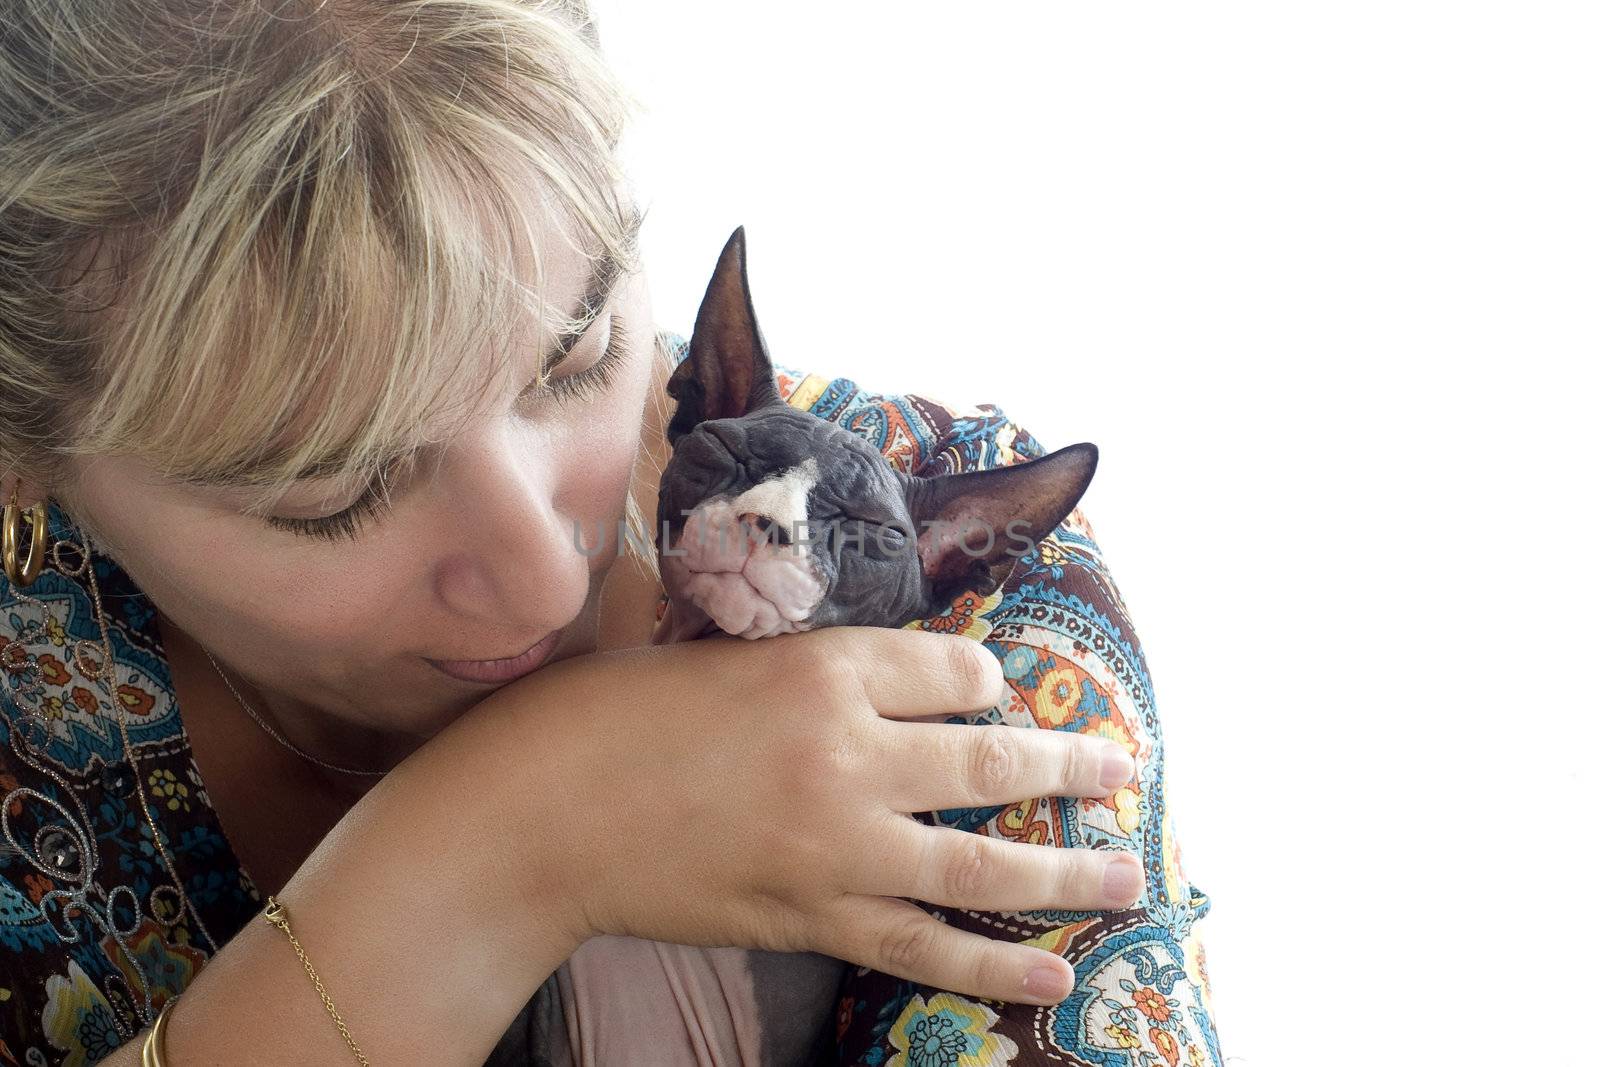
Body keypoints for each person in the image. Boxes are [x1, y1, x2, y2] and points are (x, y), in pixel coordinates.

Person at [0, 2, 1223, 1064]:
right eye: (330, 493)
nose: (546, 574)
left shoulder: (946, 551)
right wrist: (505, 854)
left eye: (577, 359)